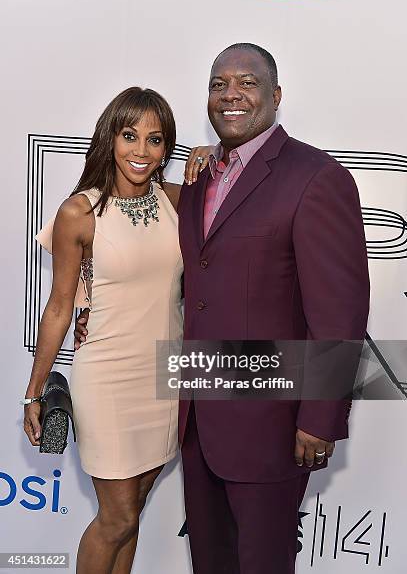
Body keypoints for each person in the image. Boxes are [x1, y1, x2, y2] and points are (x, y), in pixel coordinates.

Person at [75, 44, 370, 574]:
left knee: (262, 563)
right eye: (218, 84)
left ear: (275, 96)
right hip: (197, 417)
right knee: (211, 560)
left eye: (247, 83)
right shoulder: (200, 177)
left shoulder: (316, 178)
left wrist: (321, 417)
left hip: (271, 422)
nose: (231, 94)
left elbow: (340, 311)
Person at [23, 86, 210, 574]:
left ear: (167, 148)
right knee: (117, 517)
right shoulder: (79, 212)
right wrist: (34, 390)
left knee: (133, 516)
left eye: (155, 140)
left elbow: (239, 186)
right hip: (107, 377)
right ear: (111, 137)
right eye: (130, 136)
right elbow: (61, 307)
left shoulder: (175, 199)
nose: (142, 152)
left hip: (165, 379)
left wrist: (215, 153)